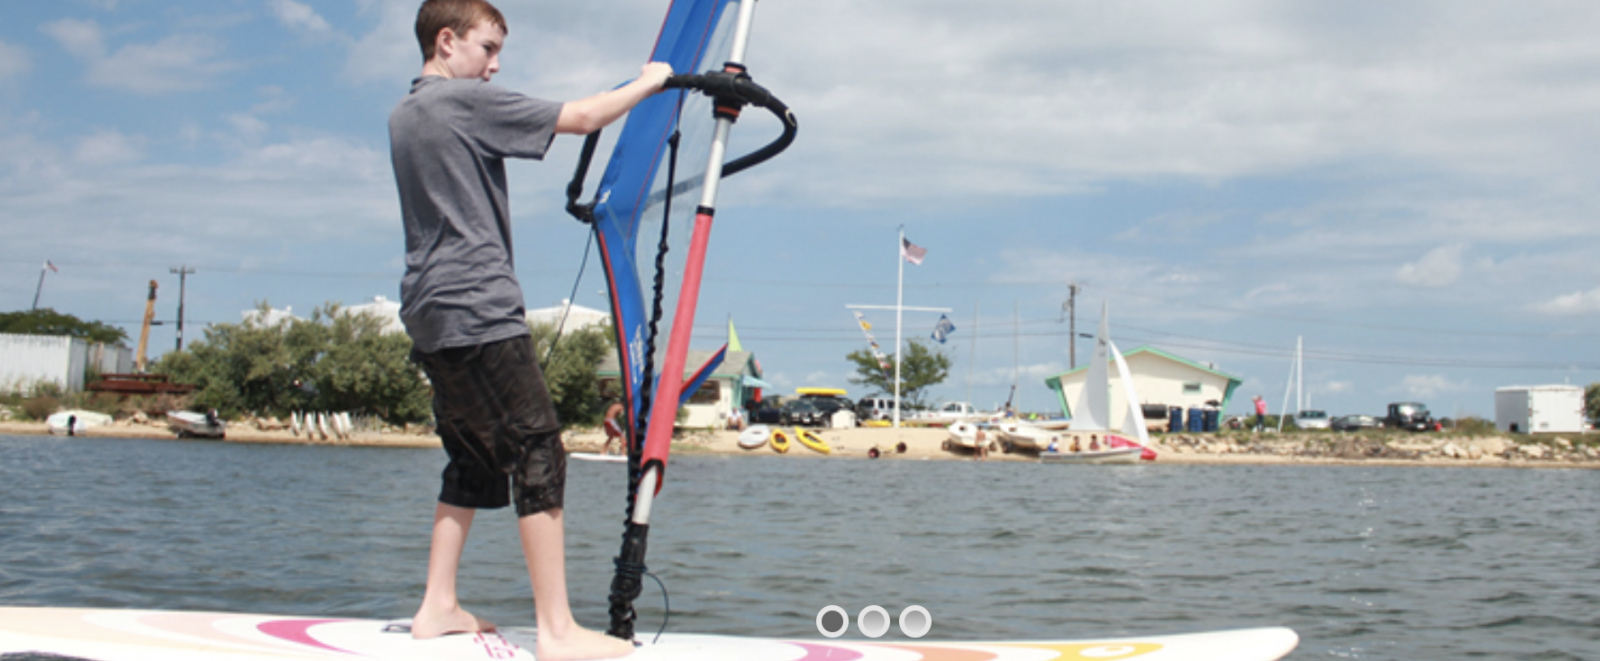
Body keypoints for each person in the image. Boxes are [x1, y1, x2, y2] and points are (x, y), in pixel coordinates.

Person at [389, 1, 671, 658]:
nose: (493, 67)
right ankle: (557, 631)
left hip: (429, 310)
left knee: (472, 456)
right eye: (487, 49)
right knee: (540, 451)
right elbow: (580, 117)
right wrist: (652, 80)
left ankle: (437, 606)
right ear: (447, 41)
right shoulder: (456, 102)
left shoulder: (403, 114)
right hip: (477, 305)